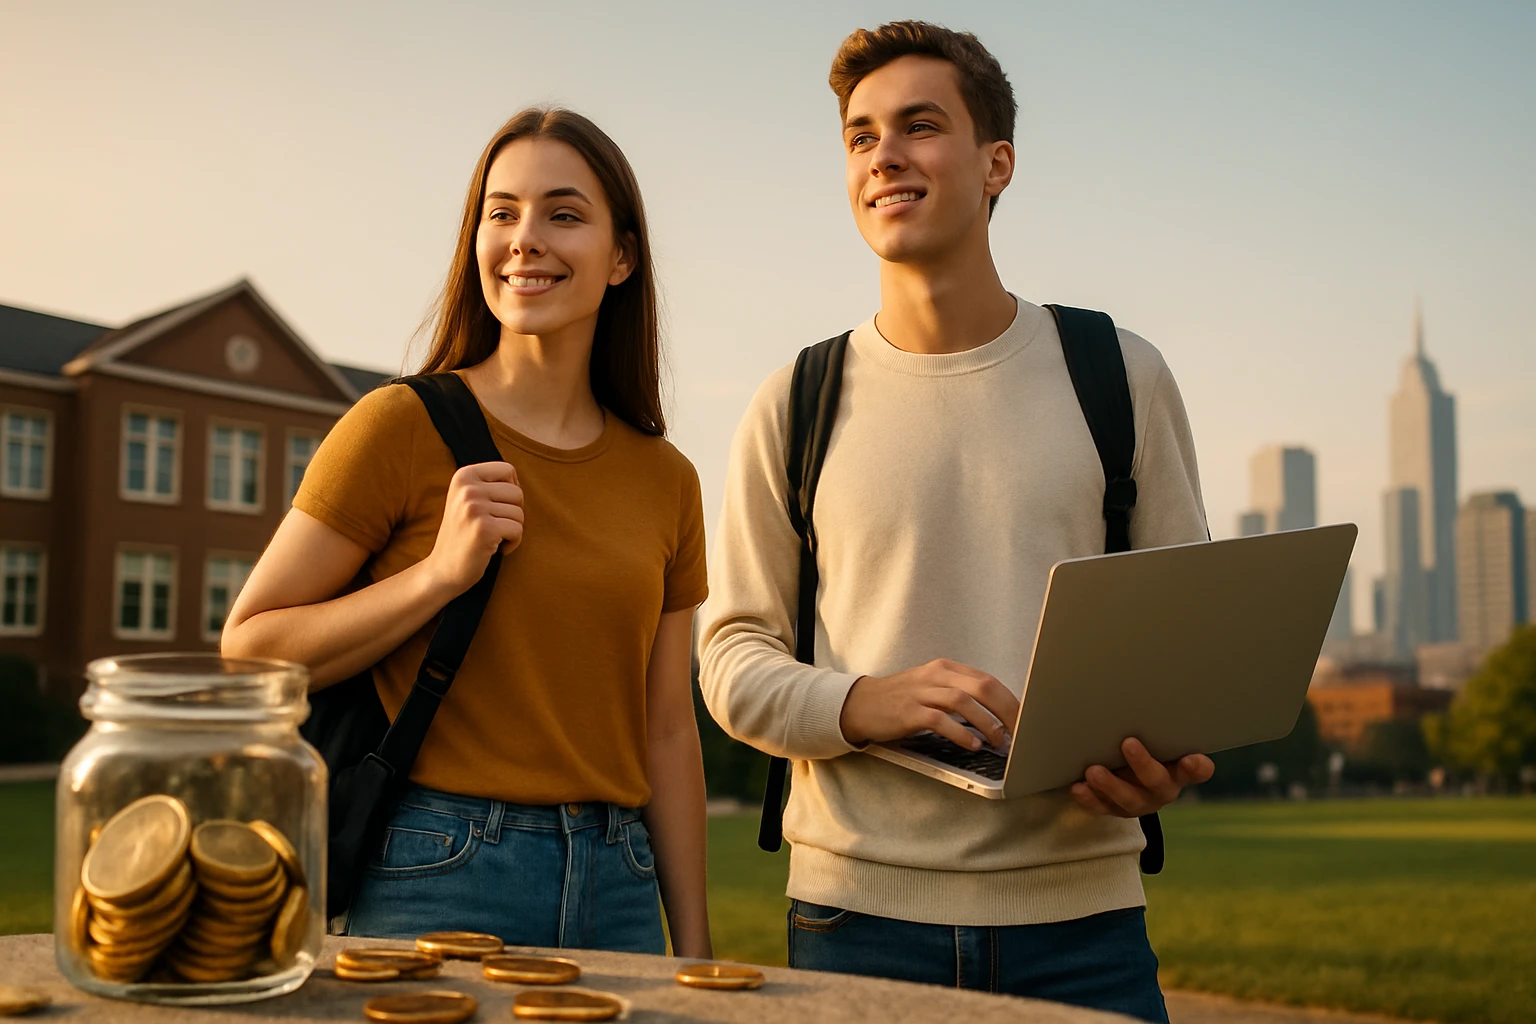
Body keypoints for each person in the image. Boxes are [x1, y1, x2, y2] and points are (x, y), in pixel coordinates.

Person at [697, 21, 1213, 1021]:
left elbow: (1185, 638)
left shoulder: (1120, 373)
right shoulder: (795, 400)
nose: (883, 154)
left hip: (1087, 926)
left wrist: (1166, 759)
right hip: (855, 923)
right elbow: (730, 657)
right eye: (859, 135)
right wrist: (864, 702)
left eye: (919, 126)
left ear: (997, 163)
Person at [223, 107, 712, 958]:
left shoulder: (667, 479)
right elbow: (252, 646)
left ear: (622, 256)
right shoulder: (397, 426)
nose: (526, 239)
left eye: (563, 214)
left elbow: (668, 727)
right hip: (437, 870)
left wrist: (695, 944)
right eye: (502, 212)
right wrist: (437, 576)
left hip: (619, 883)